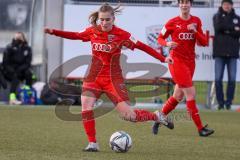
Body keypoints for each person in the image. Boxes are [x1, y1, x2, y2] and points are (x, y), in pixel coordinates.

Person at [44, 3, 173, 152]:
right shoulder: (92, 31)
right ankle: (92, 143)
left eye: (107, 20)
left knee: (129, 116)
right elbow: (74, 35)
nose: (104, 23)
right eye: (101, 20)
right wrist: (53, 32)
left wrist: (163, 59)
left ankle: (156, 116)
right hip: (93, 77)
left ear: (113, 19)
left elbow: (143, 46)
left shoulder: (122, 35)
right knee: (86, 105)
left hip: (113, 79)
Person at [152, 0, 214, 137]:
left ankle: (159, 118)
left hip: (190, 62)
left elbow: (203, 42)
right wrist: (167, 43)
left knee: (178, 95)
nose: (184, 5)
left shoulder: (196, 21)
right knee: (191, 94)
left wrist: (195, 31)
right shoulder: (172, 22)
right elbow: (160, 38)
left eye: (187, 2)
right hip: (176, 62)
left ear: (190, 5)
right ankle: (200, 128)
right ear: (179, 5)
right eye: (182, 2)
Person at [213, 0, 240, 110]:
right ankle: (220, 103)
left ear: (232, 6)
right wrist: (232, 28)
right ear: (222, 5)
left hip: (233, 53)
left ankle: (228, 103)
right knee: (218, 79)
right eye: (225, 4)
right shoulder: (217, 16)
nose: (227, 6)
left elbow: (238, 33)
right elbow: (218, 28)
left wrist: (227, 29)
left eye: (228, 4)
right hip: (219, 53)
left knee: (232, 80)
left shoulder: (237, 18)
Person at [2, 32, 33, 105]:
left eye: (20, 37)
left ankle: (27, 94)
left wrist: (20, 69)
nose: (18, 39)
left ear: (23, 38)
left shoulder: (27, 48)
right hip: (10, 72)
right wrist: (12, 70)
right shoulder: (9, 47)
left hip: (21, 71)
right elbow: (5, 62)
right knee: (15, 77)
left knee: (29, 74)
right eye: (17, 38)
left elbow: (28, 63)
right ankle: (12, 98)